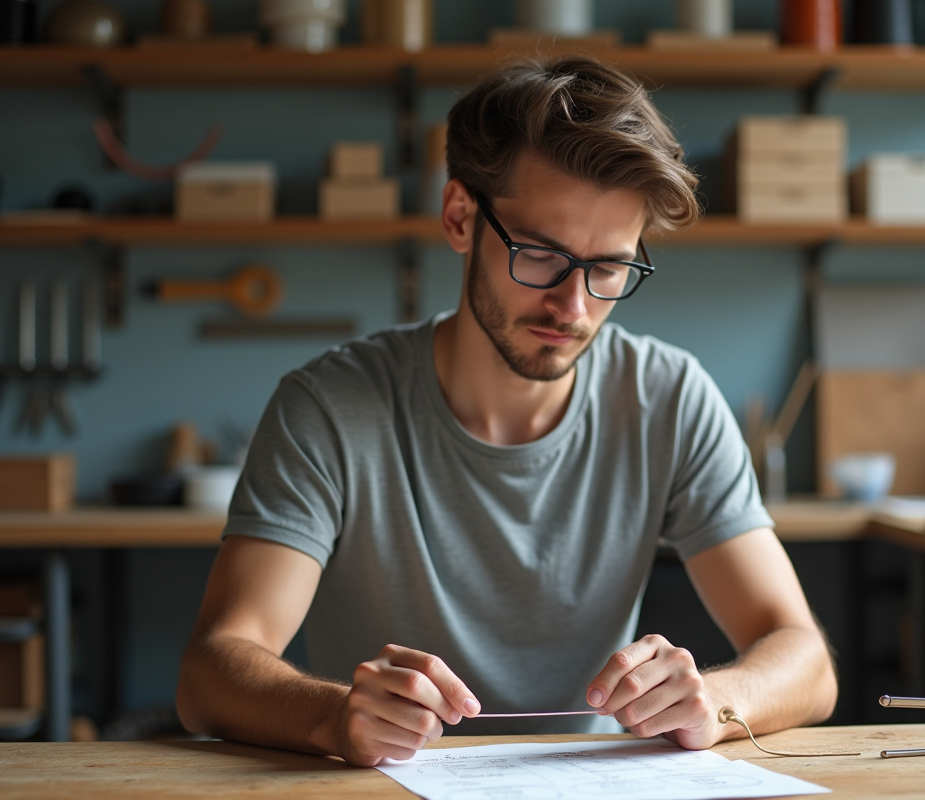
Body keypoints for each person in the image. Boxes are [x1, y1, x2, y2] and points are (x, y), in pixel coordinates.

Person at [176, 55, 837, 767]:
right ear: (461, 217)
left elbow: (806, 659)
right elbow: (211, 671)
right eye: (541, 254)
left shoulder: (670, 399)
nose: (573, 307)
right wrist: (334, 716)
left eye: (608, 268)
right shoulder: (329, 408)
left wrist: (717, 700)